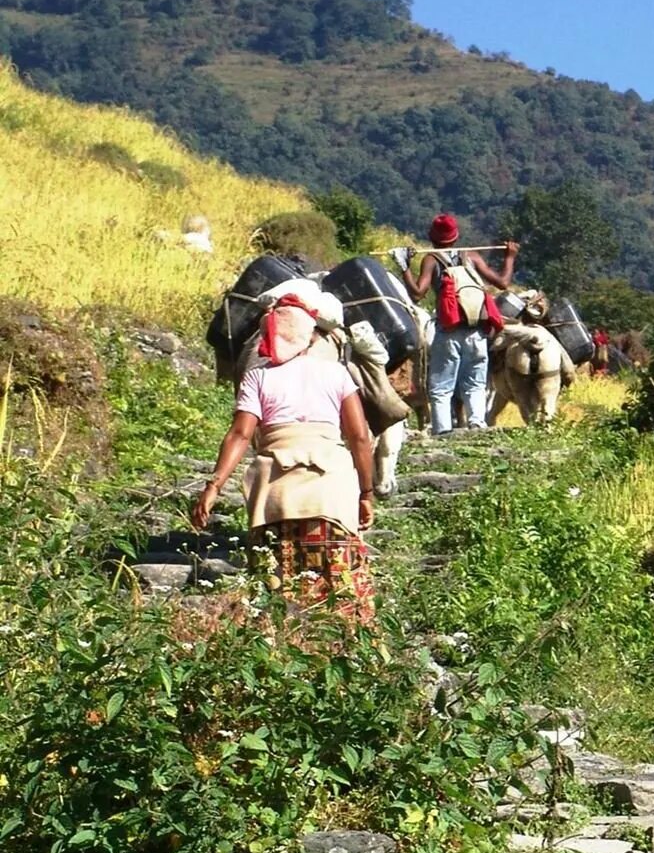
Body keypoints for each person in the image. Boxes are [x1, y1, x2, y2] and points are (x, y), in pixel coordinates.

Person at [191, 294, 377, 619]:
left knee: (277, 582)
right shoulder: (336, 374)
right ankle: (348, 647)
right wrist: (366, 492)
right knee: (341, 581)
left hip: (276, 491)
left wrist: (214, 486)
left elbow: (240, 434)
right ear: (307, 336)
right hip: (330, 488)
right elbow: (359, 436)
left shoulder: (258, 377)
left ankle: (281, 647)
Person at [400, 214, 518, 435]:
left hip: (449, 332)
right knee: (475, 383)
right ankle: (477, 425)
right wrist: (510, 257)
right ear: (456, 236)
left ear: (431, 237)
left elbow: (417, 294)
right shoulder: (471, 256)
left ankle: (443, 431)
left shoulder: (432, 260)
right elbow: (503, 283)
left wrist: (404, 266)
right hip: (477, 333)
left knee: (441, 386)